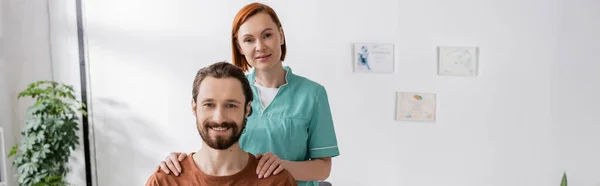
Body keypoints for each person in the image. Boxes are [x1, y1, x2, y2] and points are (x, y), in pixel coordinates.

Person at [158, 3, 340, 186]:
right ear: (239, 46)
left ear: (281, 36)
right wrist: (181, 165)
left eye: (267, 35)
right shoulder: (232, 91)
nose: (260, 46)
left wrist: (280, 166)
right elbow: (215, 144)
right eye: (249, 40)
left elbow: (323, 168)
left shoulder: (312, 94)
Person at [145, 62, 297, 186]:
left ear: (247, 109)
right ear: (194, 107)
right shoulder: (164, 181)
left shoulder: (277, 181)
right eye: (209, 104)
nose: (219, 118)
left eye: (231, 105)